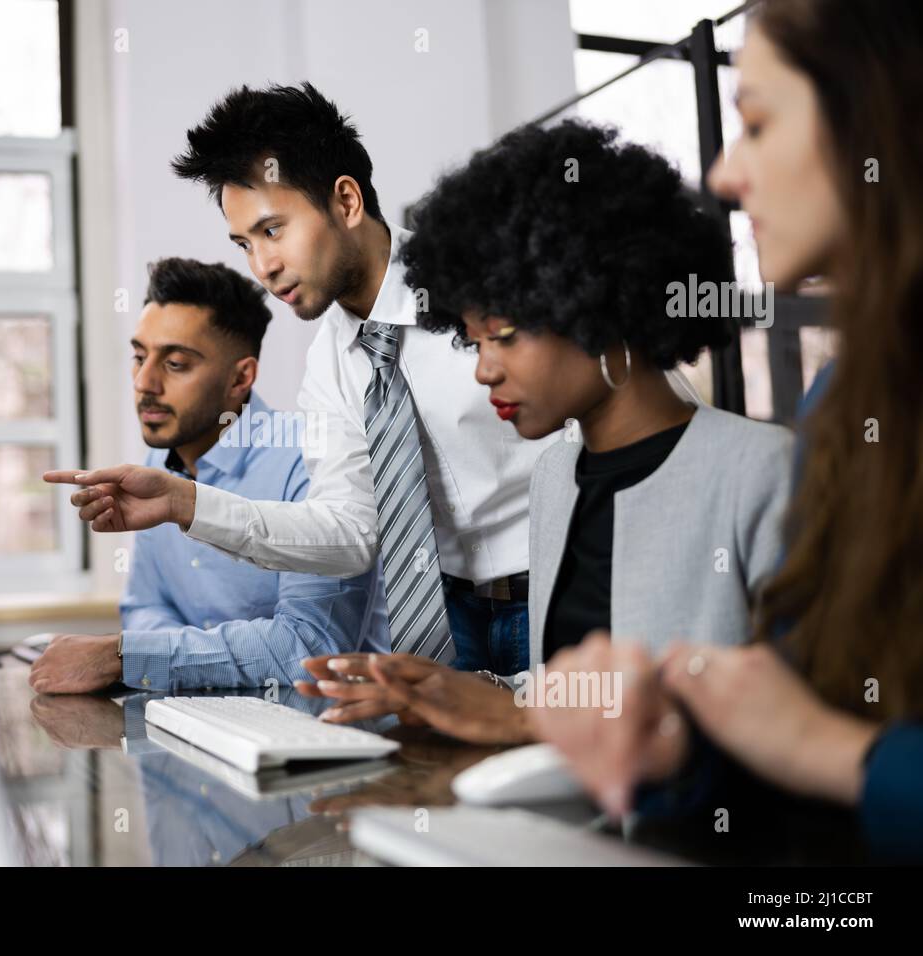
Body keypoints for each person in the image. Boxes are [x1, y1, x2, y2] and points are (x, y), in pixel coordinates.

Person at [529, 0, 923, 863]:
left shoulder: (778, 450)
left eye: (756, 122)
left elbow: (816, 741)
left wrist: (832, 754)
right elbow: (797, 726)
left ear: (879, 110)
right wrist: (676, 742)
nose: (723, 175)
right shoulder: (840, 404)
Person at [301, 121, 794, 738]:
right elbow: (571, 686)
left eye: (502, 335)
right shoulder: (559, 478)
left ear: (592, 302)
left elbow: (797, 714)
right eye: (472, 340)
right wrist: (463, 690)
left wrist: (523, 714)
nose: (483, 369)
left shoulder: (763, 471)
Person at [45, 83, 551, 674]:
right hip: (448, 621)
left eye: (273, 230)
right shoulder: (332, 363)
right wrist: (186, 502)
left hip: (557, 595)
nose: (263, 266)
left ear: (346, 201)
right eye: (244, 244)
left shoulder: (489, 286)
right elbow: (351, 533)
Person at [28, 257, 386, 694]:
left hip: (326, 736)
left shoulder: (309, 459)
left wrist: (123, 656)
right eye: (139, 357)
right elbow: (145, 606)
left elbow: (309, 650)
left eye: (175, 364)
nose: (144, 382)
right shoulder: (157, 465)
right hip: (208, 721)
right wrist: (178, 657)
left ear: (241, 378)